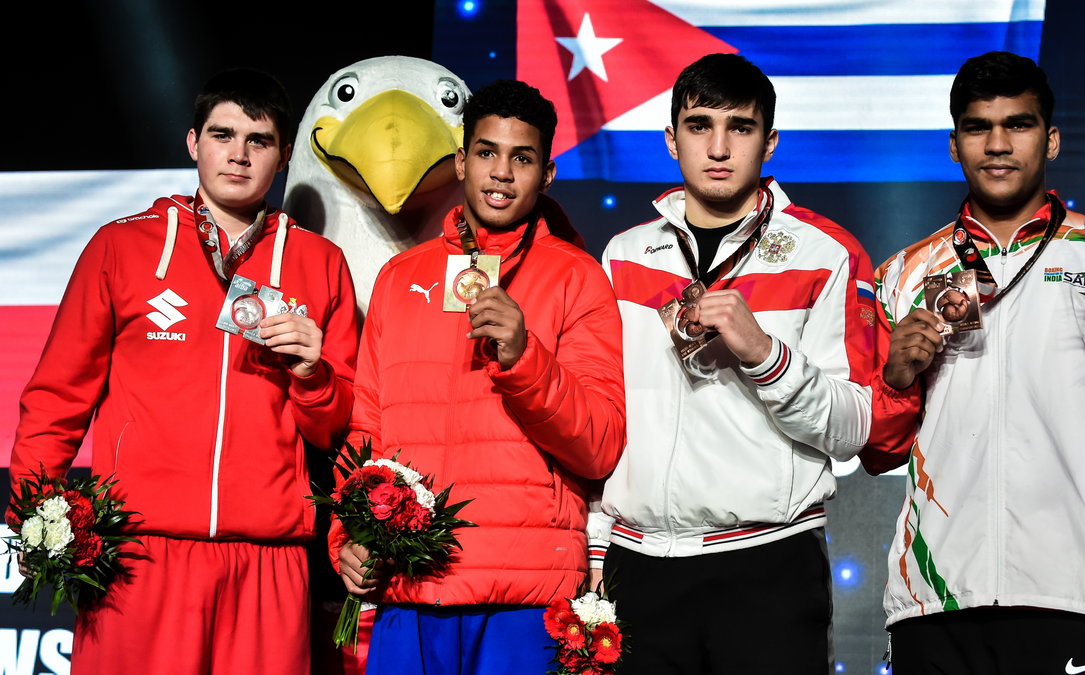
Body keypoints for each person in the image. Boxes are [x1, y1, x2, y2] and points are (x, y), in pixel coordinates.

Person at [7, 68, 358, 674]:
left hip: (268, 556)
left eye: (259, 140)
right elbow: (57, 395)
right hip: (142, 553)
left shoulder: (319, 262)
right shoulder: (121, 248)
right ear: (193, 143)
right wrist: (34, 516)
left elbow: (337, 428)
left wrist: (312, 373)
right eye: (223, 135)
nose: (239, 155)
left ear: (283, 156)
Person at [592, 53, 879, 673]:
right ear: (671, 140)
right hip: (636, 566)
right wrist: (595, 553)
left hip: (765, 566)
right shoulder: (623, 253)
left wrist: (765, 355)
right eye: (699, 126)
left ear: (769, 143)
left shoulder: (825, 253)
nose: (718, 147)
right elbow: (603, 414)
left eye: (740, 128)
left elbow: (856, 428)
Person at [333, 79, 625, 675]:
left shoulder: (579, 279)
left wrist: (524, 356)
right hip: (411, 589)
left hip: (523, 598)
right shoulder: (399, 278)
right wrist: (349, 537)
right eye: (487, 152)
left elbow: (599, 447)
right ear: (461, 160)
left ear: (546, 175)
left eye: (522, 158)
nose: (501, 173)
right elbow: (366, 431)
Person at [863, 51, 1085, 673]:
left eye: (1018, 124)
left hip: (1073, 590)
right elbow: (876, 449)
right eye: (978, 127)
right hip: (935, 599)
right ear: (953, 144)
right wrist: (897, 380)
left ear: (1053, 138)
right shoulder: (903, 274)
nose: (997, 144)